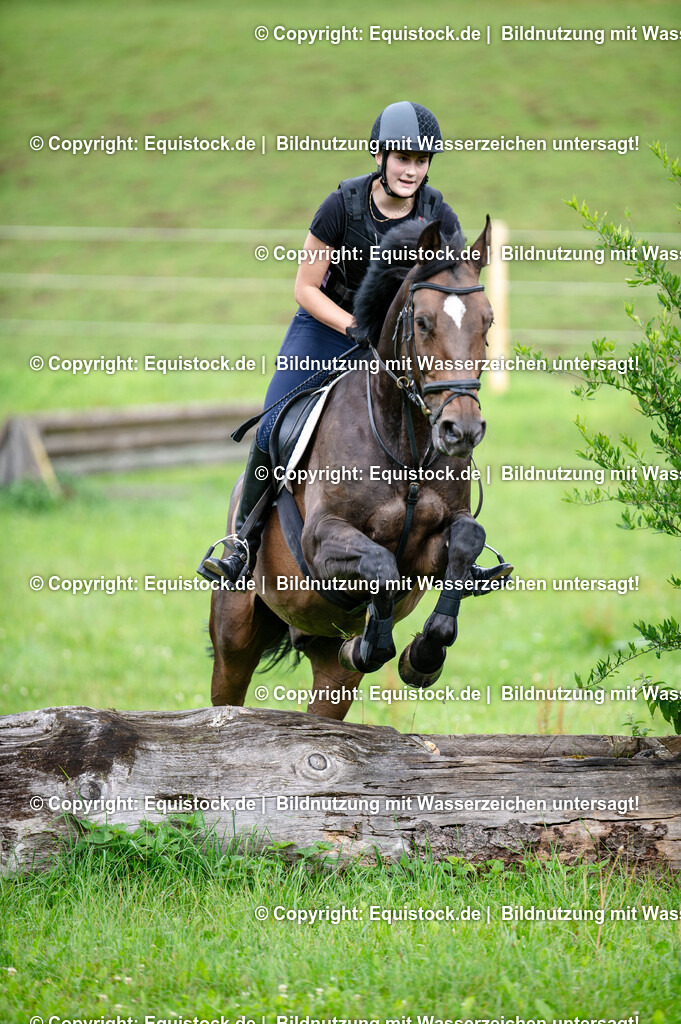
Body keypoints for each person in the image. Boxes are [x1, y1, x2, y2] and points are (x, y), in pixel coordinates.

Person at [198, 101, 510, 591]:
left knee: (446, 415)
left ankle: (461, 548)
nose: (412, 169)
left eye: (421, 160)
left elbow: (453, 287)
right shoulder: (340, 206)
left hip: (402, 338)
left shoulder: (438, 213)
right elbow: (304, 287)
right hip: (328, 326)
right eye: (402, 158)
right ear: (380, 156)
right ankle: (243, 544)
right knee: (274, 426)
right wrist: (353, 329)